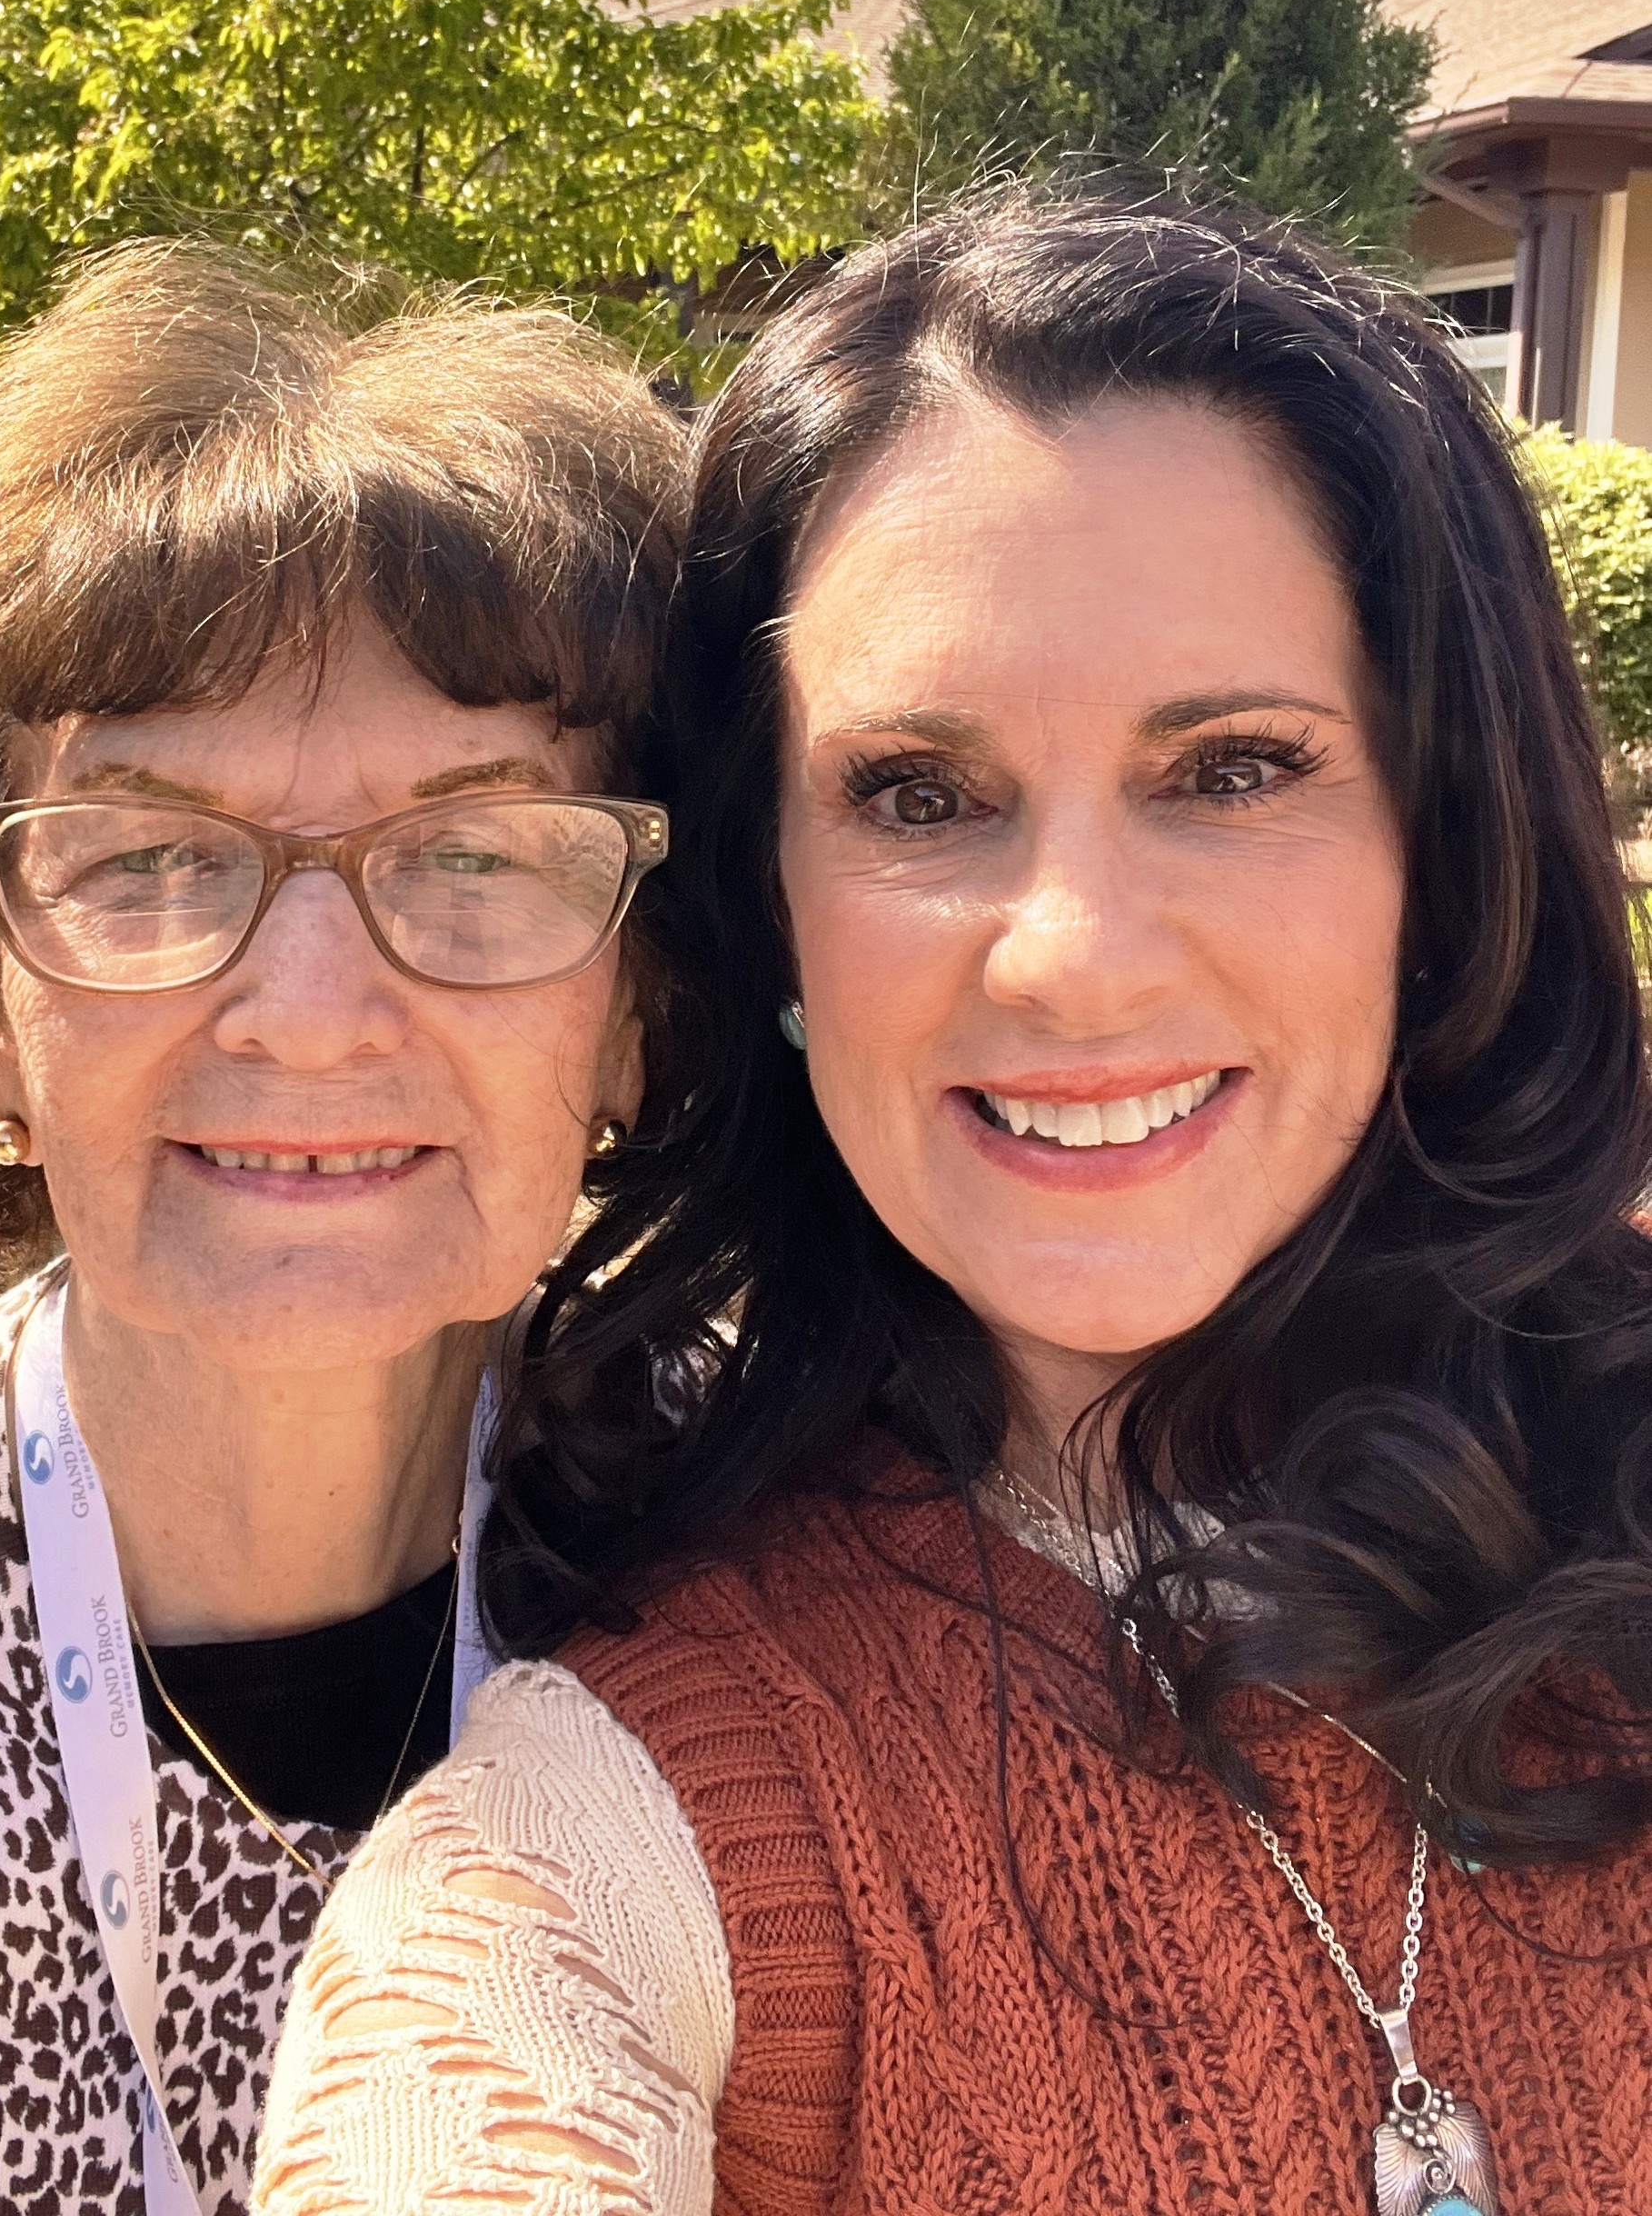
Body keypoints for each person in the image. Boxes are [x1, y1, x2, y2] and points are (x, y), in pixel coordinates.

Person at [253, 189, 1652, 2215]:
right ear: (771, 914)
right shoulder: (621, 1826)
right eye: (918, 794)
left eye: (1234, 768)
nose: (1069, 955)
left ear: (1441, 847)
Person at [0, 242, 682, 2214]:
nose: (309, 1010)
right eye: (151, 854)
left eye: (470, 848)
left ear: (637, 1012)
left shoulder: (801, 1581)